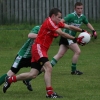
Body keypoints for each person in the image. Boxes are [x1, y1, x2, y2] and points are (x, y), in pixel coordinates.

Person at [3, 8, 86, 98]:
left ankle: (10, 79)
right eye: (59, 17)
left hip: (39, 49)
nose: (60, 19)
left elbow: (69, 27)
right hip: (39, 48)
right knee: (48, 67)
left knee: (33, 74)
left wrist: (82, 31)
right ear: (53, 16)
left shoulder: (55, 22)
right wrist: (75, 39)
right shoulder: (50, 22)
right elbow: (61, 34)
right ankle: (49, 93)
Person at [50, 2, 97, 75]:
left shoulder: (82, 17)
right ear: (75, 9)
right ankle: (73, 70)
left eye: (81, 8)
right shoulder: (71, 16)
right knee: (77, 51)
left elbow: (87, 23)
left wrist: (93, 30)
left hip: (69, 38)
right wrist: (57, 30)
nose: (80, 10)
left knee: (60, 54)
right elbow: (61, 22)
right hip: (67, 37)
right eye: (78, 8)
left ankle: (47, 68)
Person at [0, 25, 40, 91]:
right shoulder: (38, 28)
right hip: (22, 56)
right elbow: (30, 35)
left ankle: (27, 79)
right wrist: (41, 36)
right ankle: (9, 80)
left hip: (32, 57)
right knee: (10, 73)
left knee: (44, 68)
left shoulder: (48, 32)